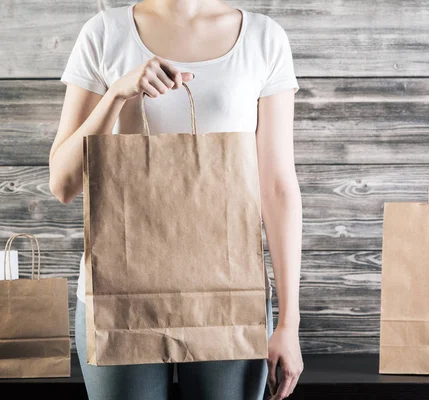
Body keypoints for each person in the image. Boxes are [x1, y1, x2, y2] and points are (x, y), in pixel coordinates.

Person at [49, 1, 303, 399]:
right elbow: (62, 184)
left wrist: (289, 322)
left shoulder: (263, 38)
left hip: (229, 295)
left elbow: (277, 188)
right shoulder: (105, 33)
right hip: (119, 295)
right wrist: (117, 94)